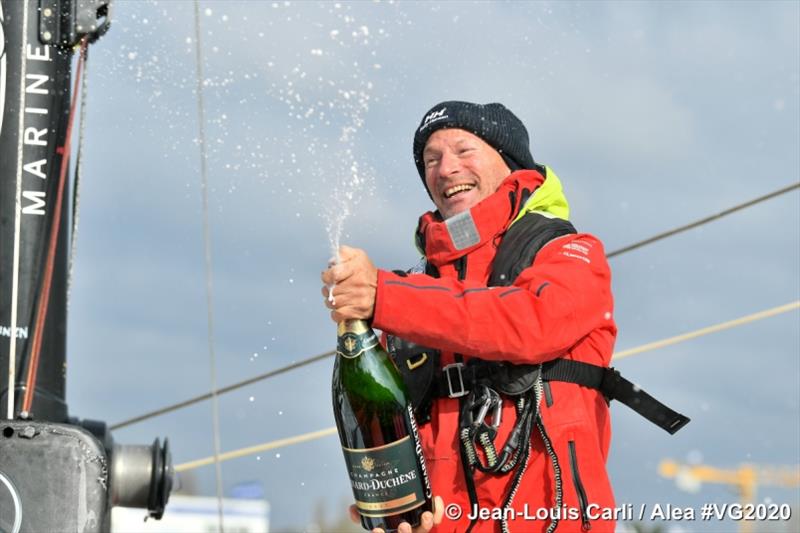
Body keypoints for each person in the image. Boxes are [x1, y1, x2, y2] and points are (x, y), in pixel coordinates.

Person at [322, 101, 659, 533]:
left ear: (510, 161)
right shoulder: (409, 296)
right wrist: (392, 506)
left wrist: (382, 295)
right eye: (431, 160)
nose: (446, 169)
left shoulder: (569, 253)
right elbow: (384, 427)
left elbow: (530, 323)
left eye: (464, 151)